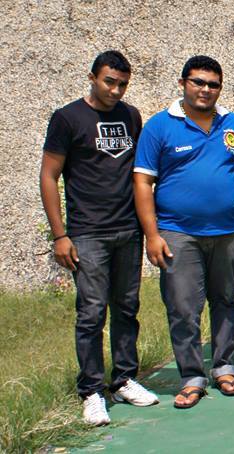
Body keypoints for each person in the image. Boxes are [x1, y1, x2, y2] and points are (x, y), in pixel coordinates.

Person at [40, 50, 158, 426]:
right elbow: (49, 176)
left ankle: (123, 379)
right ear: (92, 77)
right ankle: (91, 391)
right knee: (91, 312)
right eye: (109, 81)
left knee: (127, 308)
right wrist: (60, 235)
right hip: (88, 233)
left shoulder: (131, 116)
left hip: (128, 229)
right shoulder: (67, 118)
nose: (115, 90)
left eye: (122, 84)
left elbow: (140, 172)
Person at [133, 56, 234, 409]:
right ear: (183, 83)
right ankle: (191, 377)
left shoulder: (233, 124)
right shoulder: (159, 126)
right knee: (184, 308)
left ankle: (224, 368)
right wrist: (152, 235)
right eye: (198, 82)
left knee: (225, 301)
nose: (205, 89)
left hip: (228, 230)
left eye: (213, 84)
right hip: (177, 233)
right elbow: (142, 182)